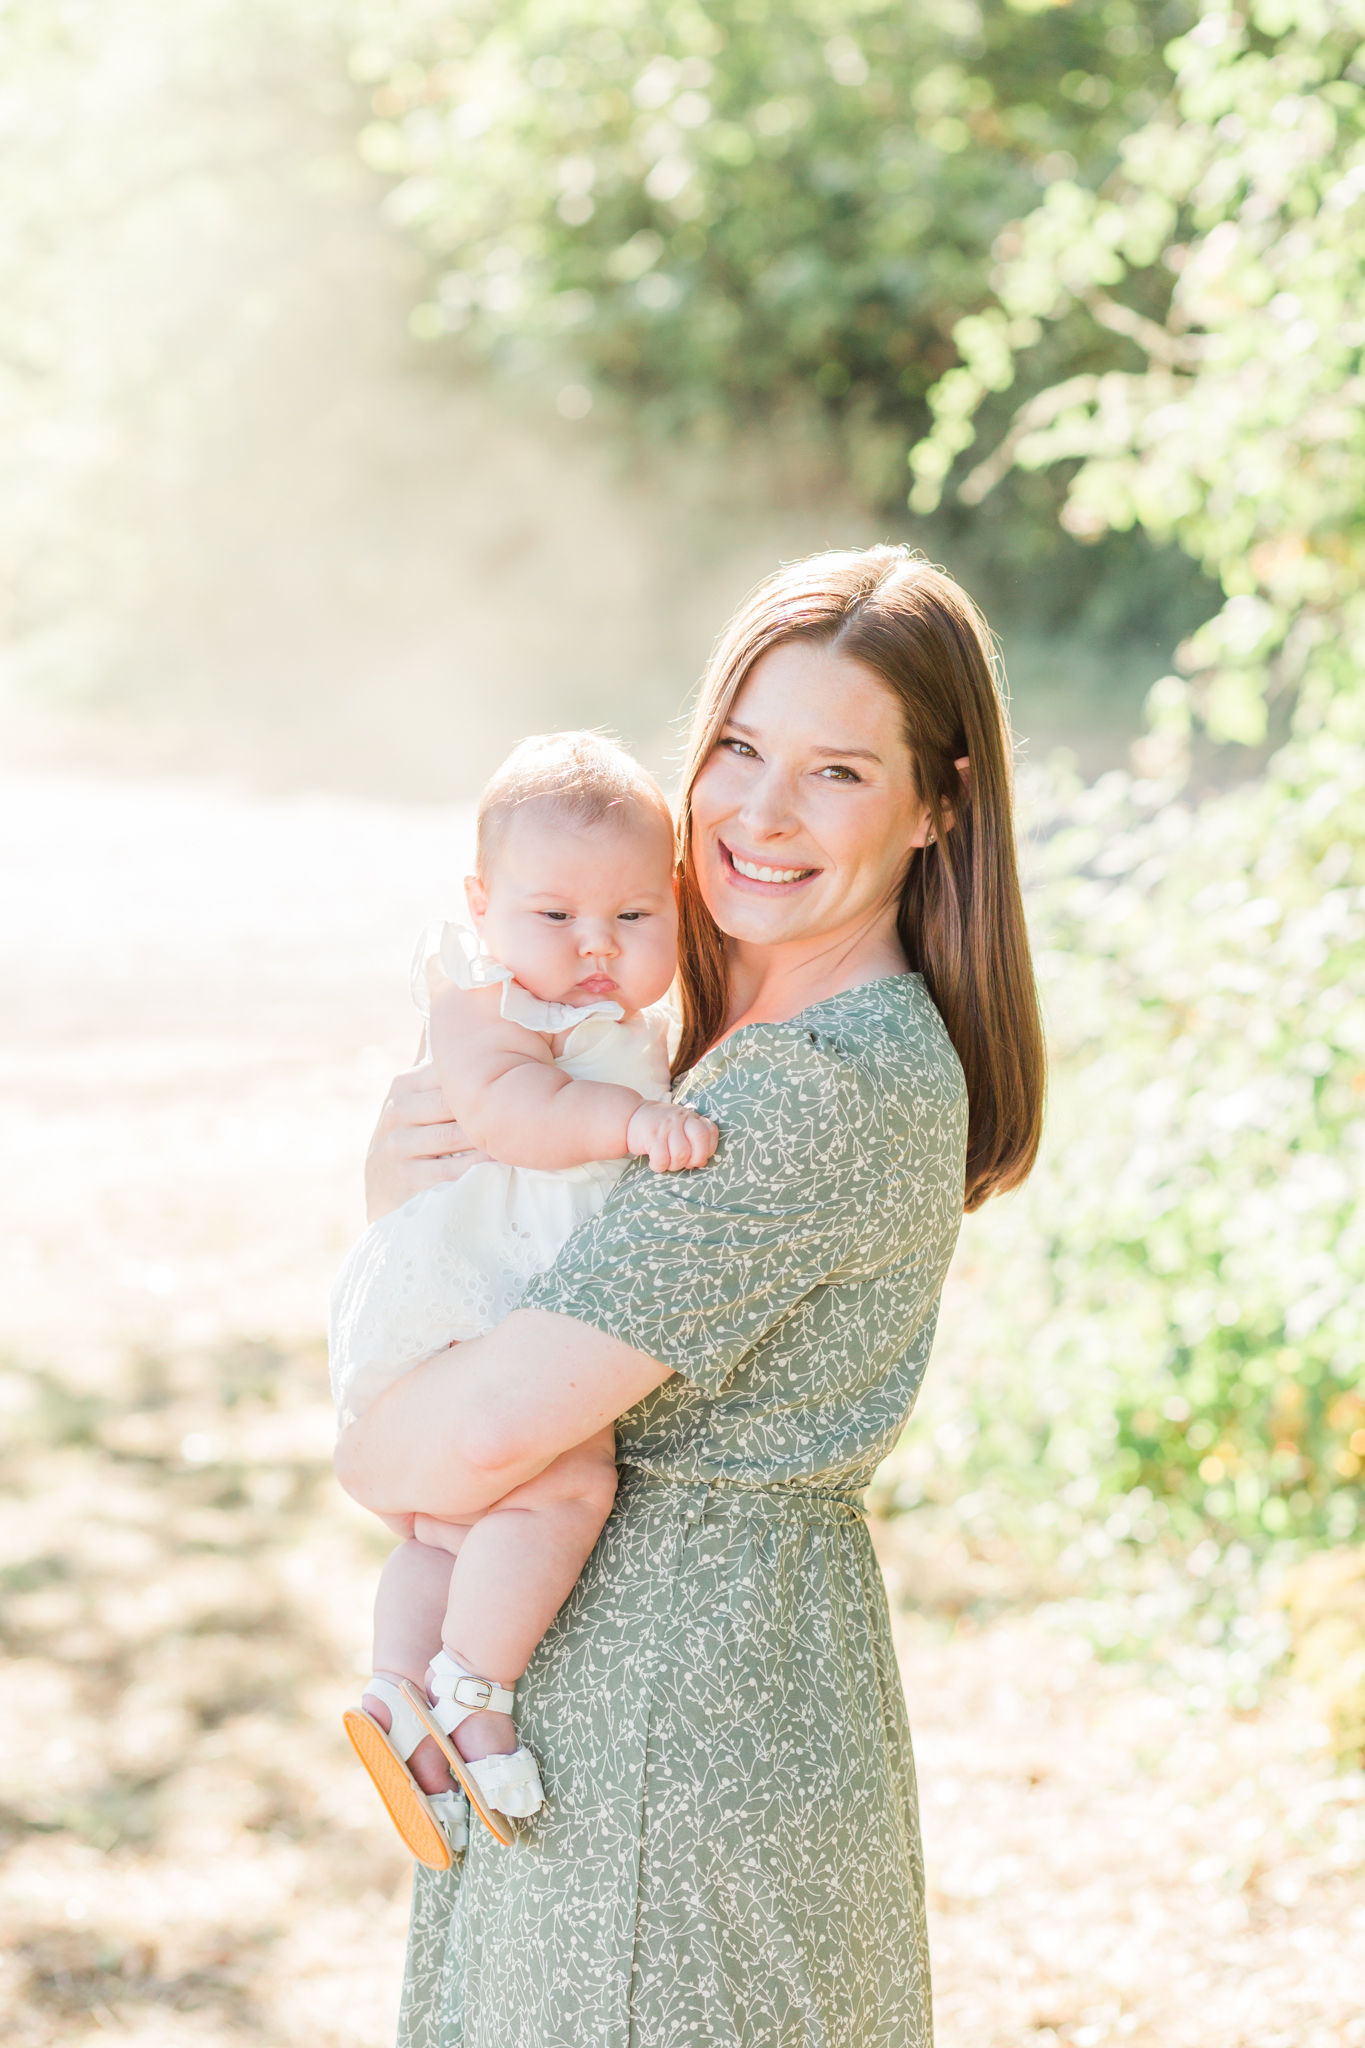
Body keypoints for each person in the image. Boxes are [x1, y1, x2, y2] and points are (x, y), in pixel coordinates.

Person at [338, 546, 1046, 2048]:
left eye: (837, 771)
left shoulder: (815, 1093)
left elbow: (448, 1448)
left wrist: (368, 1436)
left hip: (678, 1741)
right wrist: (416, 1189)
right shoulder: (687, 1052)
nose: (758, 811)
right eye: (738, 746)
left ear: (938, 807)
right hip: (625, 1711)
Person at [329, 732, 717, 1853]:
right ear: (484, 905)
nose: (596, 945)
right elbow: (511, 1116)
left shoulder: (621, 1025)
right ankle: (475, 1689)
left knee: (446, 1537)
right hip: (467, 1299)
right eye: (557, 917)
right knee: (565, 1481)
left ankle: (396, 1692)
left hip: (496, 1306)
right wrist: (634, 1123)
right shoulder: (484, 1002)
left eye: (634, 918)